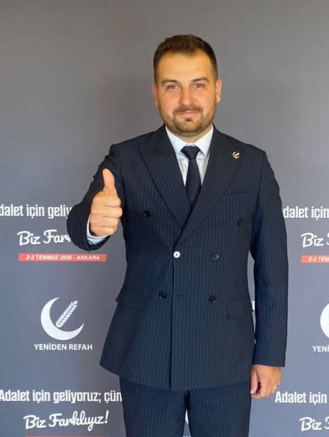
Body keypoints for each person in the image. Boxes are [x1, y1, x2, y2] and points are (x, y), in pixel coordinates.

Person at [66, 34, 288, 437]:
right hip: (147, 346)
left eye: (198, 84)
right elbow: (81, 222)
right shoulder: (127, 158)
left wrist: (270, 354)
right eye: (172, 86)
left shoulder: (251, 164)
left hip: (225, 350)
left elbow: (273, 269)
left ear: (217, 89)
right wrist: (93, 224)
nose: (186, 99)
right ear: (155, 94)